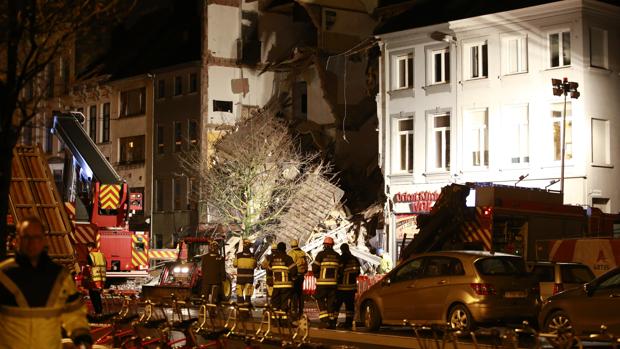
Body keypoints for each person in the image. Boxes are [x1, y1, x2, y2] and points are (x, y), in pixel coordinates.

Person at [0, 216, 92, 348]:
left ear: (44, 240)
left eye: (36, 237)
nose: (31, 243)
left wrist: (82, 339)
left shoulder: (60, 276)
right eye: (26, 237)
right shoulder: (3, 275)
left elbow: (74, 314)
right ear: (17, 240)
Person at [312, 236, 341, 328]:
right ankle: (332, 321)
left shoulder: (320, 255)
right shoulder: (337, 256)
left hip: (322, 284)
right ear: (332, 245)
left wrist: (317, 275)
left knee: (319, 299)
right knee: (331, 302)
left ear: (324, 245)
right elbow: (341, 270)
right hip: (333, 284)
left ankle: (325, 320)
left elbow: (315, 268)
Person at [268, 242, 297, 321]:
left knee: (276, 302)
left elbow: (269, 270)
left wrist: (270, 280)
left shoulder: (273, 259)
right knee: (284, 302)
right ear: (285, 249)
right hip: (286, 285)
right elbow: (294, 271)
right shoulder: (288, 258)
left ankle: (275, 320)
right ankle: (284, 320)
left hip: (276, 285)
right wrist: (294, 278)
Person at [335, 243, 360, 328]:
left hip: (341, 287)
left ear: (342, 250)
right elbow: (358, 272)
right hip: (351, 288)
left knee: (337, 305)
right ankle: (349, 323)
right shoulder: (355, 259)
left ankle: (333, 322)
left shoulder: (341, 259)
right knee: (350, 307)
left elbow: (338, 271)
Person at [287, 239, 309, 319]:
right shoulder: (302, 253)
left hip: (294, 276)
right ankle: (301, 311)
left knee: (294, 294)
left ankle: (294, 311)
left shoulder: (291, 254)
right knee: (300, 294)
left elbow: (290, 266)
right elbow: (306, 264)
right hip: (301, 275)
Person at [233, 239, 257, 308]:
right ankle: (247, 308)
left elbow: (234, 264)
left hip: (240, 278)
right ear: (250, 246)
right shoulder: (253, 256)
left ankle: (240, 309)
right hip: (249, 278)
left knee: (240, 294)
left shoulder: (238, 255)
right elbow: (255, 266)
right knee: (248, 295)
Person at [201, 240, 226, 304]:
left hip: (206, 281)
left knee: (204, 298)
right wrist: (223, 279)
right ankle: (214, 310)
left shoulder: (204, 257)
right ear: (217, 248)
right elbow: (222, 270)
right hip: (216, 281)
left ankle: (203, 309)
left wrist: (203, 278)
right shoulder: (220, 258)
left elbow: (203, 269)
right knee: (217, 298)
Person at [86, 242, 106, 315]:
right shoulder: (102, 255)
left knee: (93, 295)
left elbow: (89, 267)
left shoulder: (90, 255)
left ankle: (97, 312)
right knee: (97, 295)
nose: (88, 249)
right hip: (101, 278)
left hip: (93, 278)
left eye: (88, 247)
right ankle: (100, 311)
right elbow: (105, 264)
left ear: (91, 247)